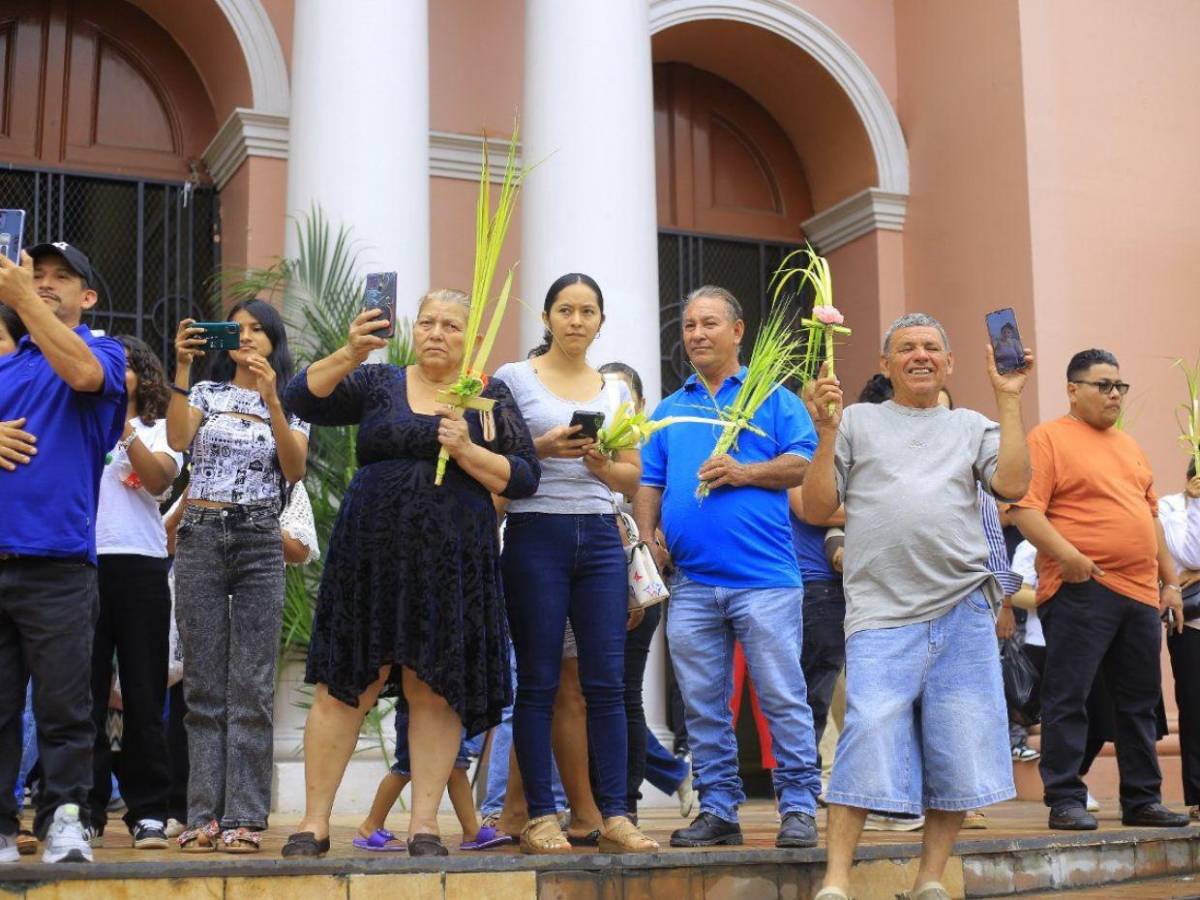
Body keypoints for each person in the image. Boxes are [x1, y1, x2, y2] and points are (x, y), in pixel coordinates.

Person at [281, 290, 539, 858]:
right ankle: (314, 824)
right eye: (428, 322)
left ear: (469, 338)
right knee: (346, 683)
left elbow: (523, 477)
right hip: (370, 556)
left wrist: (468, 449)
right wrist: (350, 351)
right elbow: (301, 395)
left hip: (451, 562)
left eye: (451, 324)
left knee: (435, 689)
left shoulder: (488, 398)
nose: (437, 333)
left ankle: (425, 825)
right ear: (412, 329)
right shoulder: (379, 384)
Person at [804, 313, 1032, 900]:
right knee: (868, 733)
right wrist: (825, 431)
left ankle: (930, 879)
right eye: (906, 348)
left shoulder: (971, 424)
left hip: (962, 609)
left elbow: (1012, 485)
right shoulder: (856, 419)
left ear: (950, 363)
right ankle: (836, 881)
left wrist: (1009, 400)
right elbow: (815, 504)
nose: (921, 355)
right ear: (885, 365)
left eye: (932, 346)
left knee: (958, 745)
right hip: (881, 612)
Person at [634, 284, 821, 850]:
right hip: (690, 582)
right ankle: (718, 809)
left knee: (781, 696)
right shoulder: (670, 409)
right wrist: (647, 537)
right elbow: (650, 482)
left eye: (709, 323)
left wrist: (742, 473)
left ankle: (798, 808)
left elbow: (801, 466)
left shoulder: (774, 398)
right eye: (689, 326)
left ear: (737, 332)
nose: (696, 335)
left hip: (765, 581)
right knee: (702, 705)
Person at [494, 273, 657, 855]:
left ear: (600, 322)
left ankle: (615, 815)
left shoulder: (613, 389)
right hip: (537, 531)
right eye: (565, 310)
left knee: (605, 684)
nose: (576, 321)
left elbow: (631, 473)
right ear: (546, 317)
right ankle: (540, 814)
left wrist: (598, 465)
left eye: (588, 311)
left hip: (600, 536)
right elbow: (493, 456)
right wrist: (541, 448)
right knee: (537, 682)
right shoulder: (513, 378)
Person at [1009, 349, 1188, 831]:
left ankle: (1142, 798)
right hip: (1080, 588)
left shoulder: (1128, 446)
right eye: (1103, 385)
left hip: (1138, 594)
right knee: (1070, 696)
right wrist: (1068, 556)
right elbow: (1025, 511)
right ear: (1073, 389)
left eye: (1119, 386)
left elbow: (1149, 518)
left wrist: (1169, 582)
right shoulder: (1048, 438)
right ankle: (1065, 797)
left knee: (1139, 700)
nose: (1114, 394)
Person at [0, 244, 127, 864]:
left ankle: (67, 822)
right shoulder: (4, 369)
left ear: (88, 298)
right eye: (35, 275)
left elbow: (83, 377)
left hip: (59, 565)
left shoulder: (103, 352)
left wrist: (22, 298)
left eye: (60, 278)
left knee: (65, 707)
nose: (43, 284)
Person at [167, 299, 309, 853]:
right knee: (204, 682)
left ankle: (244, 817)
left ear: (274, 339)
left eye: (257, 330)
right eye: (237, 329)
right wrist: (181, 367)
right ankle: (203, 814)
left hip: (259, 538)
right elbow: (179, 443)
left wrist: (272, 398)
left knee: (250, 684)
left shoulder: (293, 400)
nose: (246, 337)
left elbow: (294, 469)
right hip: (201, 531)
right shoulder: (204, 393)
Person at [86, 336, 183, 850]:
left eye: (122, 366)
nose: (110, 372)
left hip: (141, 563)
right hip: (83, 562)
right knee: (85, 694)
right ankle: (86, 806)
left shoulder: (158, 428)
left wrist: (124, 431)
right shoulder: (74, 423)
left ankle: (149, 810)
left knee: (144, 694)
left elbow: (158, 480)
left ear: (141, 375)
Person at [355, 709, 483, 851]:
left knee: (457, 766)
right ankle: (370, 826)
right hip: (417, 711)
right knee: (406, 769)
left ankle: (472, 831)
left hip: (451, 710)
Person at [1159, 461, 1200, 817]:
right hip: (1191, 623)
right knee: (1195, 707)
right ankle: (1198, 796)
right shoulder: (1169, 507)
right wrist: (1197, 505)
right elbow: (1189, 554)